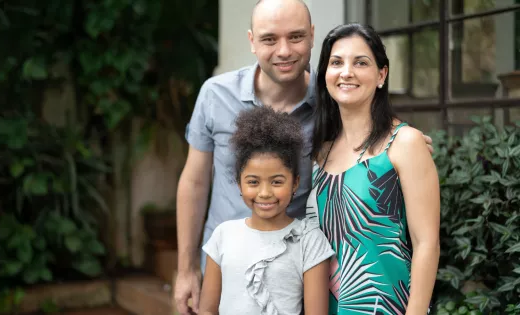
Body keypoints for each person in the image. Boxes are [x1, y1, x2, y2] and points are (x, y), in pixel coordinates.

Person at [174, 0, 433, 313]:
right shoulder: (216, 95)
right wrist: (186, 269)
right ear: (252, 41)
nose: (284, 51)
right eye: (270, 39)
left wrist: (406, 144)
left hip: (299, 286)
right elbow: (195, 181)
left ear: (312, 36)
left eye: (295, 37)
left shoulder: (331, 106)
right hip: (224, 276)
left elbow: (368, 128)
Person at [306, 23, 440, 314]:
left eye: (361, 63)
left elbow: (426, 243)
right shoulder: (320, 153)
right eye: (336, 62)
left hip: (390, 306)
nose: (346, 72)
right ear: (325, 75)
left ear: (382, 75)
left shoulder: (405, 143)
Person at [199, 106, 332, 315]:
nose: (264, 193)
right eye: (253, 182)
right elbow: (207, 310)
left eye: (277, 182)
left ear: (295, 183)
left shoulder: (309, 240)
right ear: (239, 184)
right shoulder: (223, 235)